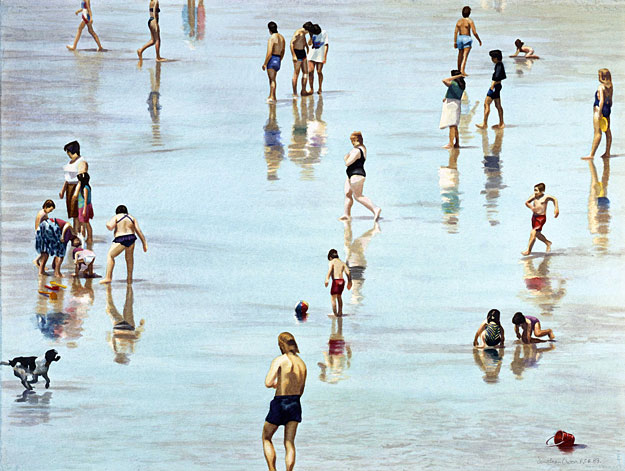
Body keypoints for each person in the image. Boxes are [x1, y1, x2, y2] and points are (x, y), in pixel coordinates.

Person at [262, 332, 307, 471]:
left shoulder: (280, 360)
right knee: (289, 443)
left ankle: (272, 470)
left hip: (280, 402)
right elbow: (301, 389)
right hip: (295, 403)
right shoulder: (302, 364)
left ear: (281, 344)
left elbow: (268, 382)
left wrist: (276, 384)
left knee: (266, 437)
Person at [339, 132, 381, 221]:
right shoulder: (361, 148)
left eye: (354, 140)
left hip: (357, 175)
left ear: (359, 140)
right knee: (347, 193)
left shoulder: (357, 150)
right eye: (352, 141)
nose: (353, 142)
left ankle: (375, 209)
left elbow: (347, 162)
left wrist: (346, 158)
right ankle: (346, 214)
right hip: (350, 175)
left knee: (358, 196)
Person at [100, 205, 148, 284]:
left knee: (110, 256)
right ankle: (129, 278)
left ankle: (108, 277)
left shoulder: (116, 217)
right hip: (131, 238)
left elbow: (110, 227)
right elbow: (138, 231)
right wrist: (144, 243)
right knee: (129, 259)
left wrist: (107, 224)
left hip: (121, 239)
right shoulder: (132, 218)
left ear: (117, 212)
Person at [582, 68, 613, 160]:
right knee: (607, 131)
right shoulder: (610, 86)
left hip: (599, 110)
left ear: (602, 76)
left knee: (597, 133)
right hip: (607, 110)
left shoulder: (601, 87)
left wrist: (599, 113)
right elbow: (610, 100)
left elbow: (601, 101)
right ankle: (607, 152)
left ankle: (591, 154)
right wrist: (607, 110)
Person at [522, 183, 559, 256]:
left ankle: (528, 250)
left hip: (541, 218)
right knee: (537, 234)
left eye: (536, 190)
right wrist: (531, 207)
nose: (535, 192)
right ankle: (547, 243)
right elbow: (527, 202)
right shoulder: (534, 196)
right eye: (534, 190)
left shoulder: (546, 197)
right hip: (534, 217)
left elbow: (554, 199)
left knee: (533, 232)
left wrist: (556, 208)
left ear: (542, 191)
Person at [60, 141, 87, 232]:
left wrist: (76, 192)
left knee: (77, 213)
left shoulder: (81, 162)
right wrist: (63, 190)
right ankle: (75, 233)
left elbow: (81, 179)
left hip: (77, 188)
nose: (68, 154)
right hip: (69, 188)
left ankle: (77, 233)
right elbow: (67, 178)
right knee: (72, 213)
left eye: (68, 151)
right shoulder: (70, 162)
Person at [476, 50, 506, 129]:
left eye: (492, 58)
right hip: (498, 86)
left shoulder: (498, 66)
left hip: (495, 86)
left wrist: (492, 86)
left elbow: (496, 77)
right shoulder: (500, 65)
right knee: (498, 105)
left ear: (496, 58)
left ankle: (484, 123)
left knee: (486, 104)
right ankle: (501, 123)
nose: (492, 59)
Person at [439, 70, 466, 148]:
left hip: (451, 105)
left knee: (452, 125)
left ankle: (451, 143)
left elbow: (444, 80)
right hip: (457, 103)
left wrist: (458, 76)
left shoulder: (454, 83)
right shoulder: (461, 84)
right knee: (454, 125)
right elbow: (452, 91)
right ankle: (457, 143)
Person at [454, 6, 482, 76]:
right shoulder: (470, 21)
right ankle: (462, 71)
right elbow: (474, 32)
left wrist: (455, 42)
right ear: (469, 13)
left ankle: (458, 70)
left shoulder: (459, 21)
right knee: (465, 55)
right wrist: (479, 40)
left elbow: (455, 32)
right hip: (467, 38)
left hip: (459, 38)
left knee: (460, 55)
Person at [262, 22, 285, 103]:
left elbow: (269, 52)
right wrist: (280, 59)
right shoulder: (282, 37)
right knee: (274, 79)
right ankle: (272, 95)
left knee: (272, 80)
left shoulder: (272, 38)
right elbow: (283, 51)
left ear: (269, 29)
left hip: (272, 59)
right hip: (278, 59)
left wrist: (265, 63)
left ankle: (273, 97)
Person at [324, 249, 352, 317]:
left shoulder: (331, 262)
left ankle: (335, 313)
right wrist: (349, 282)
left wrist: (327, 279)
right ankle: (340, 312)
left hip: (336, 281)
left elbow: (330, 270)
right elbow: (348, 272)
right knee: (339, 296)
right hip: (342, 281)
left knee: (333, 298)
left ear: (330, 257)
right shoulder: (342, 263)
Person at [290, 22, 312, 97]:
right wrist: (293, 55)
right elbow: (291, 43)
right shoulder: (298, 33)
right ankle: (295, 92)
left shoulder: (304, 34)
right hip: (297, 53)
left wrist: (307, 47)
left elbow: (304, 41)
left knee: (305, 72)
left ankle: (303, 90)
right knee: (296, 73)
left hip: (303, 52)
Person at [33, 200, 56, 269]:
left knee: (44, 250)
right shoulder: (43, 214)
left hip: (39, 232)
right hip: (40, 233)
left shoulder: (41, 212)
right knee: (45, 250)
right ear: (46, 207)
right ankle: (39, 263)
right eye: (50, 210)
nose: (50, 211)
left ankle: (38, 261)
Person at [306, 24, 328, 95]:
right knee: (310, 71)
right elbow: (309, 43)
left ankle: (320, 88)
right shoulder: (311, 33)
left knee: (319, 71)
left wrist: (325, 56)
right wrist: (311, 37)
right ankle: (311, 88)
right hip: (311, 55)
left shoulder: (324, 33)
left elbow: (326, 45)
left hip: (320, 56)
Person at [74, 172, 94, 244]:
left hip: (83, 207)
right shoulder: (87, 187)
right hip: (86, 206)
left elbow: (85, 200)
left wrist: (84, 210)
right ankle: (89, 238)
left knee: (84, 224)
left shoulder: (85, 188)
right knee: (86, 223)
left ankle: (86, 238)